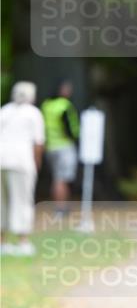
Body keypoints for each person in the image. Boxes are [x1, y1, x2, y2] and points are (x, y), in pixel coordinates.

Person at [0, 81, 45, 256]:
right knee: (22, 200)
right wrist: (37, 162)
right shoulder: (33, 113)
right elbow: (38, 143)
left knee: (2, 201)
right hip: (21, 161)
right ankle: (23, 241)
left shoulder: (4, 110)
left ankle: (2, 242)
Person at [41, 79, 79, 215]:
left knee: (57, 178)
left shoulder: (46, 105)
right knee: (61, 179)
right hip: (64, 146)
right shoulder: (64, 105)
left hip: (50, 147)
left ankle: (60, 206)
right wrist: (75, 137)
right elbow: (69, 128)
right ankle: (61, 208)